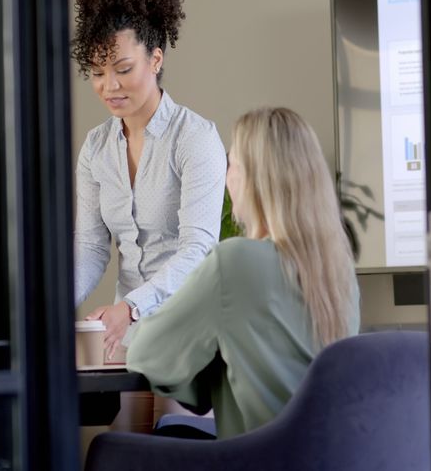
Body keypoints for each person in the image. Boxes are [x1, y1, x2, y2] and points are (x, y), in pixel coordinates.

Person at [126, 107, 361, 439]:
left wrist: (206, 380)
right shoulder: (339, 271)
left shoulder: (234, 261)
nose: (227, 176)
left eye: (232, 164)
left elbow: (146, 352)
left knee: (108, 450)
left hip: (257, 459)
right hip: (323, 457)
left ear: (254, 179)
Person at [71, 0, 226, 360]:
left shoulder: (195, 138)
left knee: (172, 426)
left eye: (123, 69)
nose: (110, 86)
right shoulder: (96, 148)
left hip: (191, 331)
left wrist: (133, 307)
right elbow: (90, 246)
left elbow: (199, 248)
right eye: (97, 72)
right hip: (126, 336)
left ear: (155, 59)